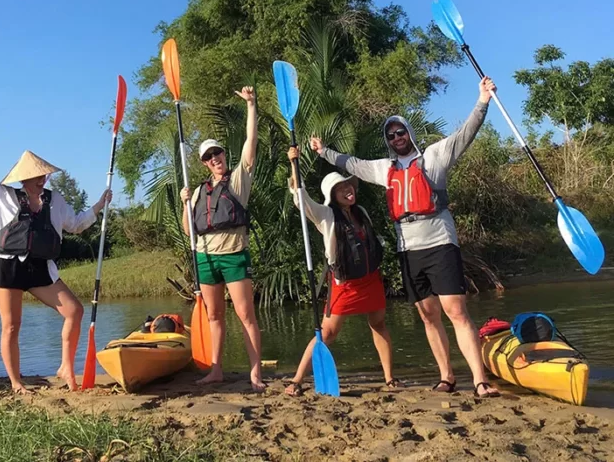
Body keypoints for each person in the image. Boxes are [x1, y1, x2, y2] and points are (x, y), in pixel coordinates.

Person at [310, 77, 500, 398]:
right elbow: (352, 163)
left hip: (440, 242)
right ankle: (447, 377)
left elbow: (465, 133)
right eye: (391, 135)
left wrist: (482, 100)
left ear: (409, 134)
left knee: (455, 311)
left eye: (400, 132)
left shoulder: (435, 157)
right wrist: (324, 152)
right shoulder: (385, 169)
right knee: (428, 315)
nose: (396, 138)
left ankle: (480, 380)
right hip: (408, 250)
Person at [0, 130, 111, 394]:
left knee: (74, 311)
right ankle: (16, 382)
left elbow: (77, 225)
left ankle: (66, 367)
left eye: (44, 175)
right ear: (24, 179)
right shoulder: (2, 196)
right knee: (11, 325)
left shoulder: (54, 201)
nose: (42, 179)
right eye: (37, 176)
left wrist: (99, 205)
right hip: (7, 267)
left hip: (39, 268)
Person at [284, 146, 403, 397]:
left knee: (378, 323)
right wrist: (294, 167)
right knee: (327, 332)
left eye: (349, 186)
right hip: (345, 284)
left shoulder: (361, 213)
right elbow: (300, 198)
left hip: (370, 280)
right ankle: (296, 380)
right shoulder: (325, 215)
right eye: (341, 189)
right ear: (333, 195)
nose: (348, 190)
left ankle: (390, 378)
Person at [179, 86, 266, 392]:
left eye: (217, 153)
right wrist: (184, 202)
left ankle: (255, 373)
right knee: (214, 315)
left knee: (245, 314)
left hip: (233, 255)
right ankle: (216, 370)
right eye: (208, 156)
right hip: (205, 257)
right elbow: (189, 230)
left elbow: (251, 143)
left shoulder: (239, 180)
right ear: (203, 163)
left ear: (224, 155)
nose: (214, 158)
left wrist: (251, 106)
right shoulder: (199, 190)